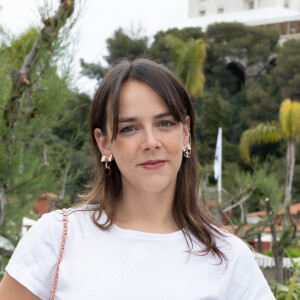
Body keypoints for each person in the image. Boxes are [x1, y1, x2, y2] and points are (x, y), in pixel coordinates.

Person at [0, 58, 275, 300]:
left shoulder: (228, 256)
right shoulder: (56, 237)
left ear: (186, 132)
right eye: (129, 128)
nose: (151, 142)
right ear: (104, 143)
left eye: (164, 123)